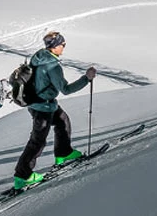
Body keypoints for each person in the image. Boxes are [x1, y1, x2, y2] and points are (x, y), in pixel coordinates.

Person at [13, 32, 97, 189]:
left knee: (62, 120)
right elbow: (66, 89)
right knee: (37, 141)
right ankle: (22, 176)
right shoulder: (52, 66)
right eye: (63, 44)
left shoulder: (38, 58)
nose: (64, 47)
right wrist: (87, 78)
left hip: (41, 104)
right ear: (55, 46)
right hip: (42, 107)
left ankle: (63, 152)